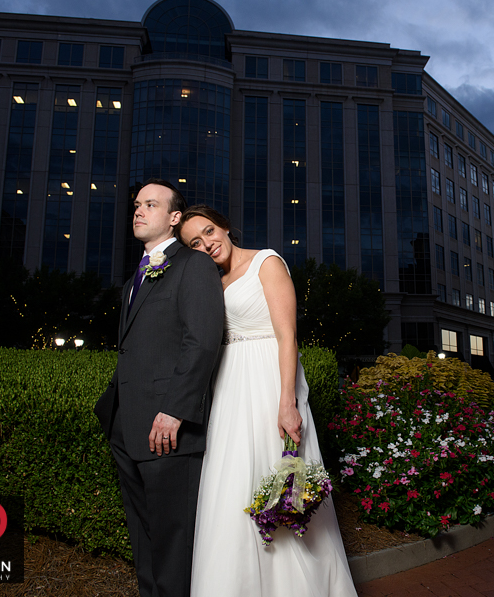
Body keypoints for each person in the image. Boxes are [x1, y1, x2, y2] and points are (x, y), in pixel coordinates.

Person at [179, 205, 357, 597]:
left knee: (282, 483)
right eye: (194, 242)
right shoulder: (212, 281)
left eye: (209, 231)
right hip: (228, 390)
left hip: (267, 384)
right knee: (230, 486)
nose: (206, 243)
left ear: (225, 227)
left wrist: (287, 401)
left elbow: (287, 336)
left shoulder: (267, 262)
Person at [95, 181, 224, 597]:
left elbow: (201, 341)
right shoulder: (137, 274)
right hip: (125, 424)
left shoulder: (193, 265)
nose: (138, 211)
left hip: (167, 427)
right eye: (136, 205)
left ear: (173, 218)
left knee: (173, 540)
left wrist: (175, 410)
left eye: (150, 204)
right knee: (144, 533)